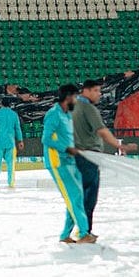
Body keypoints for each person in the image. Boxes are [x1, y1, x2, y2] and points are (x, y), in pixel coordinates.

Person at [72, 79, 138, 238]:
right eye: (96, 91)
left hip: (76, 156)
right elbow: (101, 130)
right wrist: (119, 145)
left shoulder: (72, 107)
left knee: (79, 194)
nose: (99, 94)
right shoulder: (88, 108)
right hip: (89, 157)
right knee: (89, 196)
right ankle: (84, 231)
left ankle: (78, 230)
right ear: (86, 91)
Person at [43, 84, 95, 244]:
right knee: (73, 196)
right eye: (75, 97)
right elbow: (46, 139)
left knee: (76, 196)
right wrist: (66, 148)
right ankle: (84, 232)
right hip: (57, 162)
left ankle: (66, 235)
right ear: (68, 97)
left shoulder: (68, 115)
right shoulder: (54, 115)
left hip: (70, 160)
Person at [0, 99, 25, 187]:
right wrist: (20, 140)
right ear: (10, 104)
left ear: (1, 104)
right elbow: (17, 128)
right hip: (10, 141)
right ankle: (11, 182)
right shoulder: (14, 114)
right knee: (11, 164)